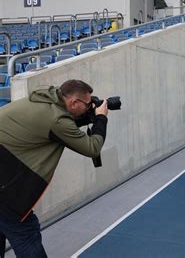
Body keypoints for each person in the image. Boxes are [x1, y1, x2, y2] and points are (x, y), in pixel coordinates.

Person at [0, 79, 109, 258]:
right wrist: (101, 118)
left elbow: (55, 129)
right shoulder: (56, 120)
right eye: (88, 104)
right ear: (74, 102)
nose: (90, 107)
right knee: (26, 234)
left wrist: (87, 116)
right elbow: (92, 148)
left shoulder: (44, 99)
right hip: (5, 188)